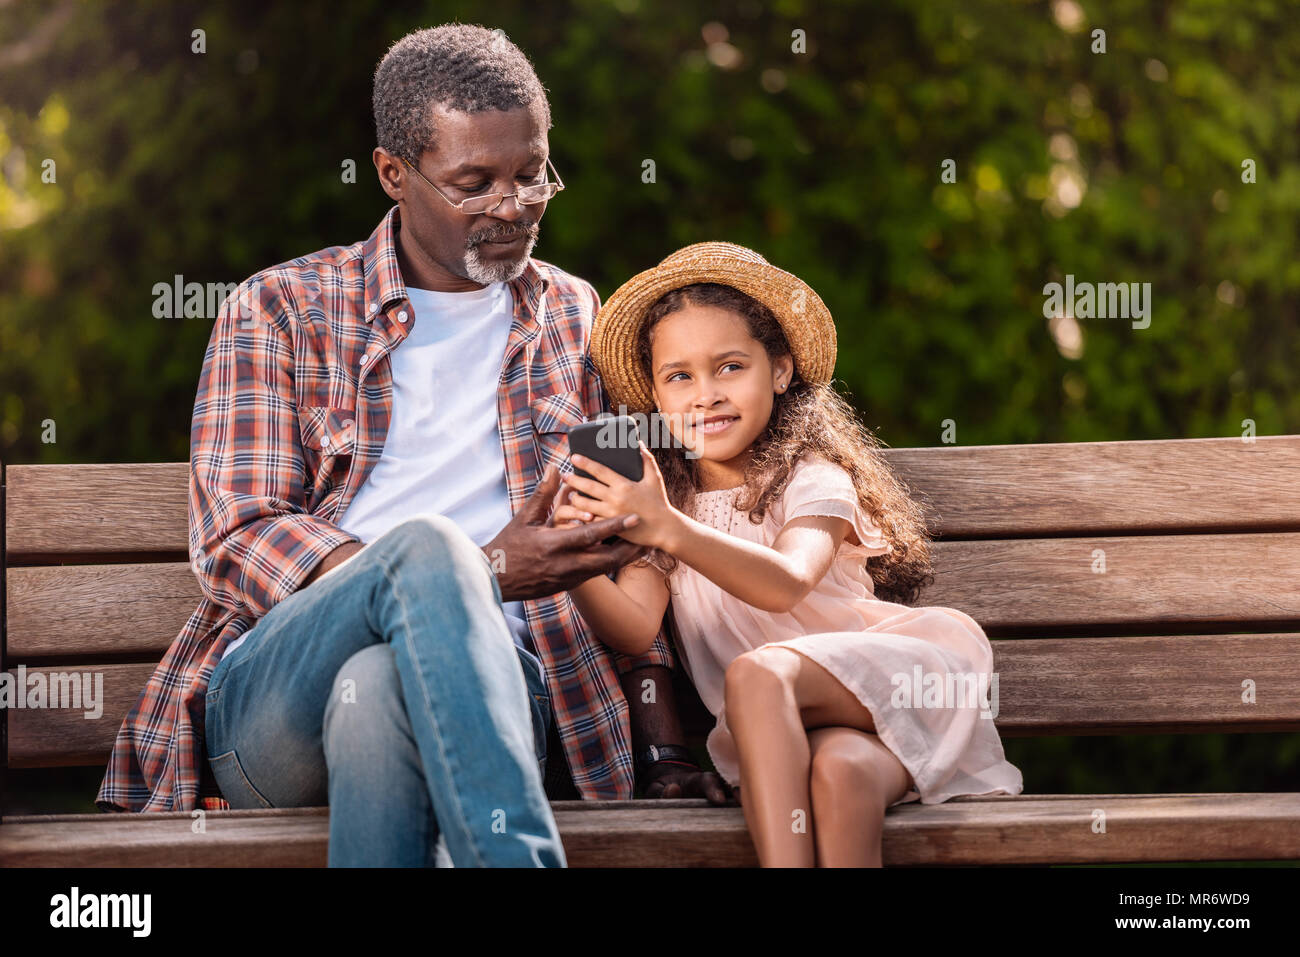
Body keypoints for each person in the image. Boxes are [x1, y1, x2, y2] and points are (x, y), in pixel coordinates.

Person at [94, 24, 727, 867]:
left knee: (382, 687)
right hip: (277, 701)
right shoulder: (281, 308)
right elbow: (238, 532)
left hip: (508, 684)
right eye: (475, 182)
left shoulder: (578, 316)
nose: (514, 205)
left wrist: (667, 741)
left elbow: (633, 530)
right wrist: (479, 569)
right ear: (394, 173)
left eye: (533, 173)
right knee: (426, 552)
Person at [551, 241, 1025, 867]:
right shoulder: (669, 506)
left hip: (897, 689)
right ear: (657, 400)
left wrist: (667, 528)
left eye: (729, 367)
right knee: (840, 777)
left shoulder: (811, 477)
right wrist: (571, 559)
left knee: (758, 672)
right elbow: (635, 629)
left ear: (778, 370)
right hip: (809, 737)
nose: (705, 394)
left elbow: (787, 582)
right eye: (679, 376)